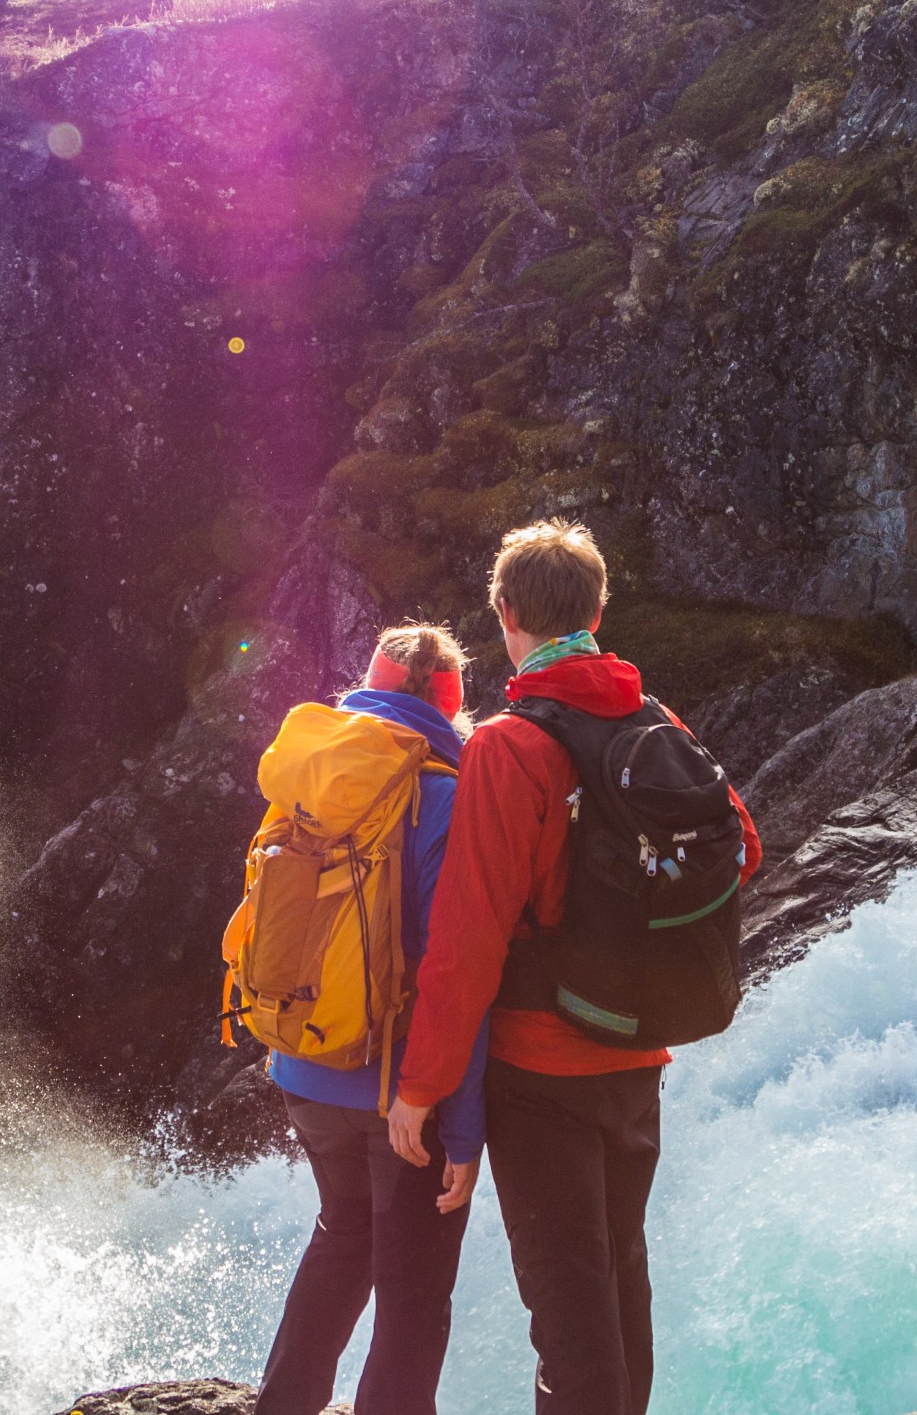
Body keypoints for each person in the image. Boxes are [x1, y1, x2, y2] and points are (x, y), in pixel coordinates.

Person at [387, 521, 666, 1415]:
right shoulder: (654, 719)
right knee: (623, 1290)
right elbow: (738, 847)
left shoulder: (509, 744)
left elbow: (466, 939)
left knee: (569, 1321)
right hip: (637, 1055)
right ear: (598, 608)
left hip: (543, 1069)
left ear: (506, 613)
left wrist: (422, 1087)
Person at [254, 623, 494, 1415]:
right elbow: (452, 972)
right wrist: (460, 1127)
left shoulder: (315, 774)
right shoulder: (442, 795)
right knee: (414, 1292)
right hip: (399, 1095)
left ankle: (281, 1405)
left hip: (303, 1066)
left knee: (342, 1234)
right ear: (448, 703)